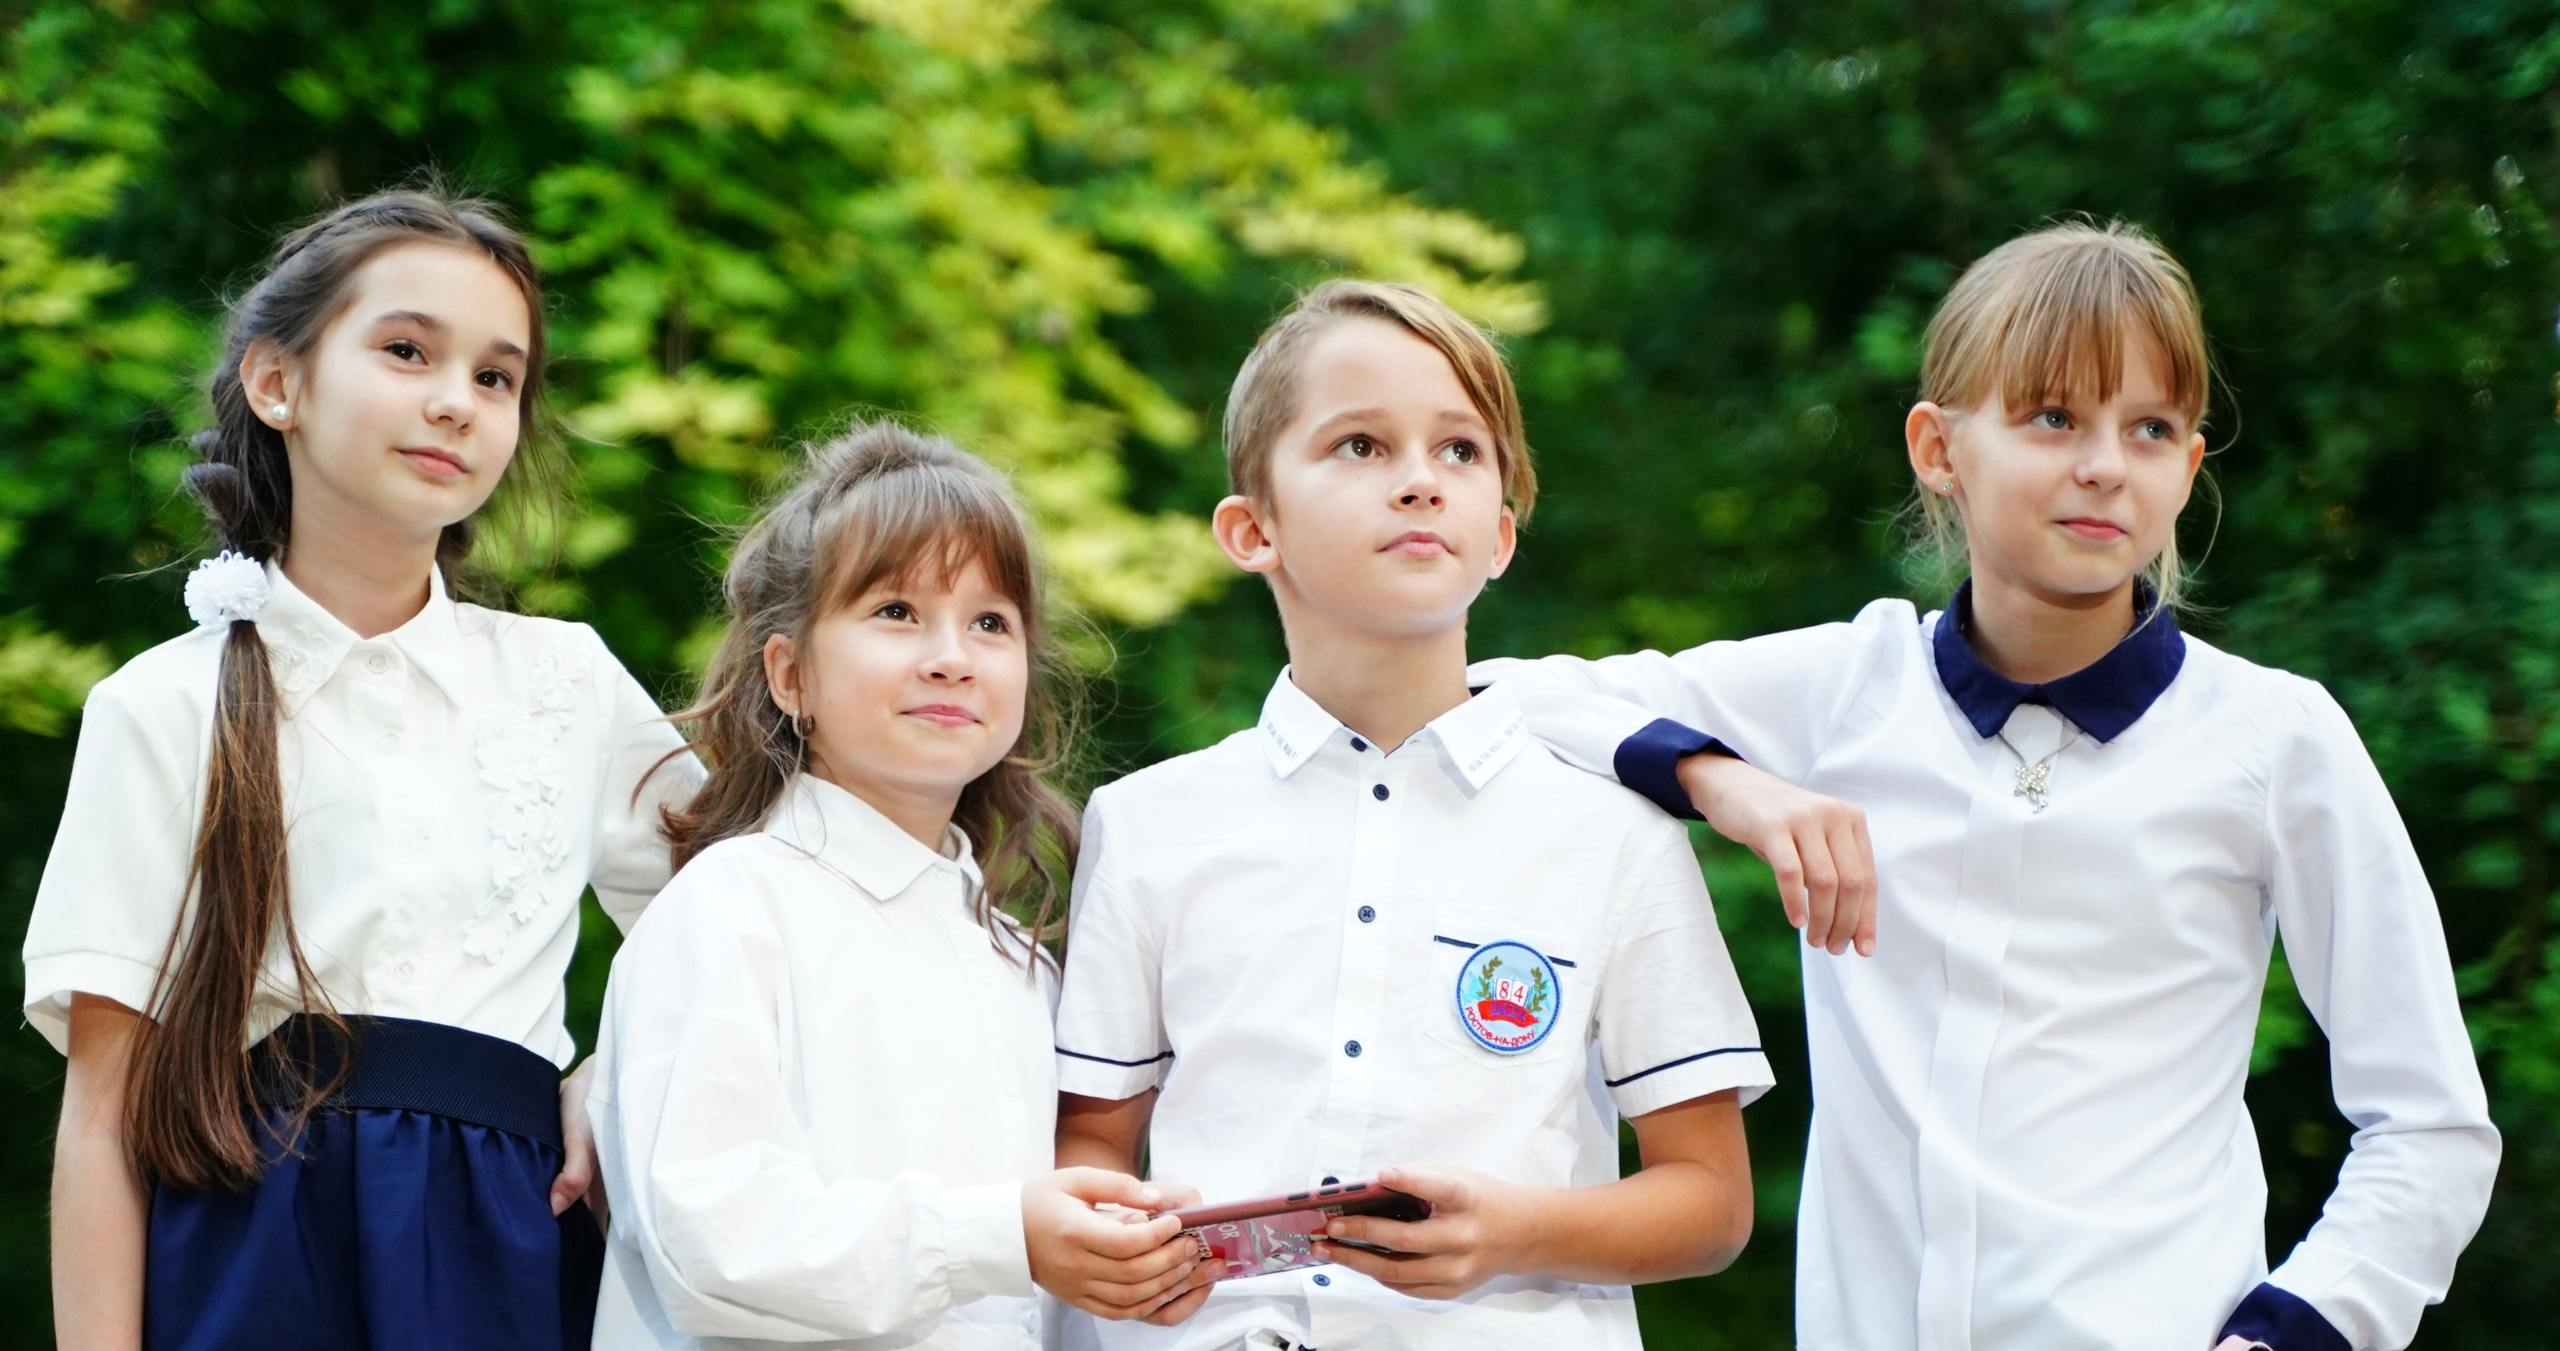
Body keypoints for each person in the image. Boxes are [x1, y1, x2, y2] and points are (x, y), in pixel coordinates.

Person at [1474, 220, 2500, 1351]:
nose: (2104, 463)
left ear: (2187, 466)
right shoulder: (1844, 687)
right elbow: (1492, 690)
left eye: (2149, 427)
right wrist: (1728, 785)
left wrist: (2294, 1333)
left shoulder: (2273, 737)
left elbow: (2430, 1124)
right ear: (1937, 448)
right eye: (2054, 416)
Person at [29, 188, 702, 1351]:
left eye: (498, 378)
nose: (456, 400)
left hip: (516, 1238)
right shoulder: (162, 704)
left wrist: (614, 1068)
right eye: (405, 350)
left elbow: (740, 925)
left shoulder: (569, 681)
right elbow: (103, 1112)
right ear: (276, 382)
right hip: (255, 1250)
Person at [1051, 280, 1772, 1351]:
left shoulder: (1615, 836)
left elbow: (1710, 1201)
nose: (1420, 483)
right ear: (1252, 529)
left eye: (1459, 451)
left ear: (1501, 539)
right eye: (1359, 446)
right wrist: (1116, 1243)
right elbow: (1092, 1147)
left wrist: (1520, 1231)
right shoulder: (1148, 822)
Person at [588, 423, 1206, 1351]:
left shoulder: (1021, 965)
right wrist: (1004, 1237)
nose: (951, 656)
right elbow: (711, 1243)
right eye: (896, 612)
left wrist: (1131, 1267)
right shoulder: (731, 907)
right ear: (790, 672)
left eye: (990, 623)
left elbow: (1034, 1290)